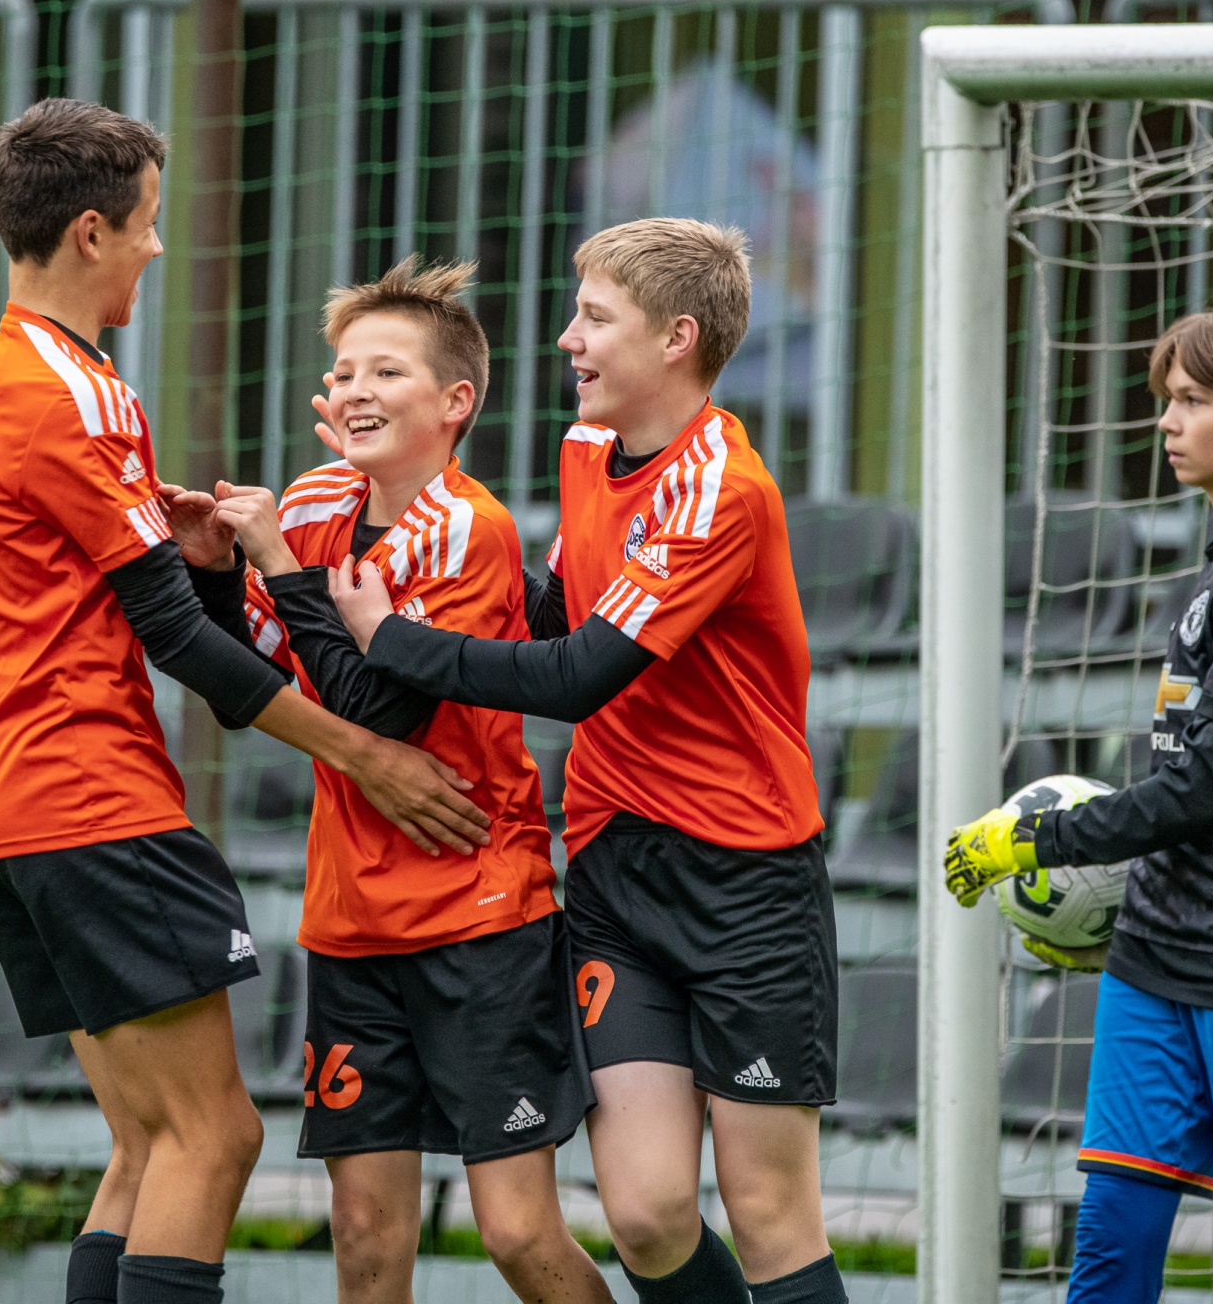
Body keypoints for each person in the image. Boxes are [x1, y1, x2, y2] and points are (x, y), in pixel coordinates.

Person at [0, 99, 491, 1304]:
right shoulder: (73, 394)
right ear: (90, 232)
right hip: (90, 796)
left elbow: (139, 590)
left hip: (14, 803)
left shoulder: (17, 370)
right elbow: (175, 640)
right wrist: (363, 753)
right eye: (147, 223)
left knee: (147, 1148)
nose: (156, 247)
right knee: (216, 1139)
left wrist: (196, 556)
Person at [327, 220, 845, 1304]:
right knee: (646, 1217)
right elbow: (552, 608)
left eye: (594, 318)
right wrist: (413, 524)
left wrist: (391, 637)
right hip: (616, 870)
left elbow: (575, 675)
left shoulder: (720, 489)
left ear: (675, 339)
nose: (567, 339)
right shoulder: (584, 451)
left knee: (767, 1214)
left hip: (746, 882)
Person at [178, 256, 612, 1304]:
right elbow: (260, 676)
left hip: (479, 915)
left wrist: (281, 569)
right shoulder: (314, 502)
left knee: (517, 1234)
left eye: (386, 371)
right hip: (351, 922)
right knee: (364, 1234)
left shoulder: (470, 528)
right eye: (342, 374)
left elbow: (379, 715)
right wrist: (215, 572)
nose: (355, 391)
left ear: (455, 402)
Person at [944, 303, 1213, 1303]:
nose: (1165, 420)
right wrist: (1099, 908)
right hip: (1151, 958)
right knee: (1111, 1244)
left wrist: (1036, 839)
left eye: (1192, 401)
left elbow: (1204, 791)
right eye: (1166, 398)